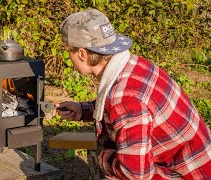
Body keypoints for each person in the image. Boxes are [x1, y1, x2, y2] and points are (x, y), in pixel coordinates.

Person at [55, 8, 211, 179]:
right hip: (196, 162)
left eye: (69, 51)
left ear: (82, 54)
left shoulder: (125, 99)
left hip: (190, 174)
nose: (68, 56)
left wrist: (105, 158)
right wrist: (84, 109)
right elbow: (124, 110)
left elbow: (136, 174)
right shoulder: (134, 65)